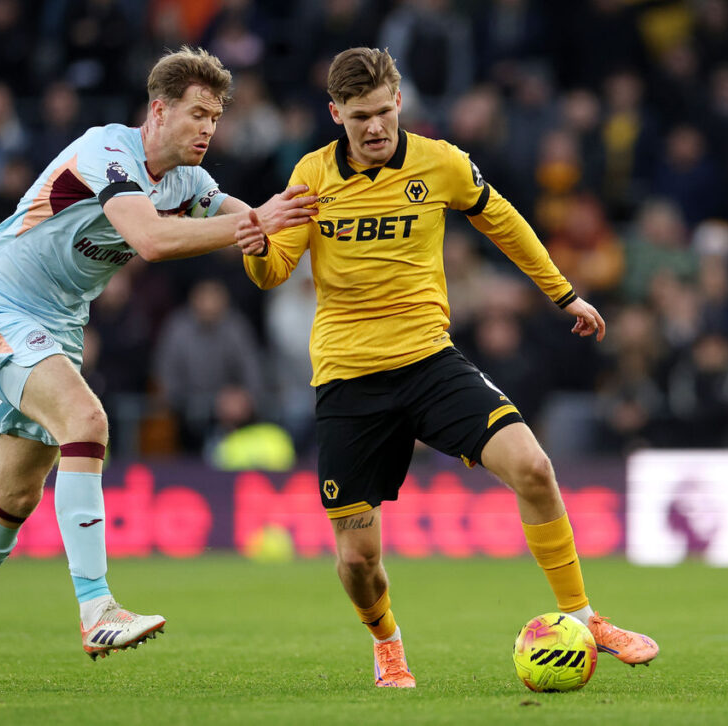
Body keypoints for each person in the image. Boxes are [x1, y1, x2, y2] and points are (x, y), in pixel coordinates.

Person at [239, 48, 658, 688]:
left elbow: (504, 222)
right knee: (358, 561)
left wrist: (564, 294)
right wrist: (255, 245)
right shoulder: (311, 175)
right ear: (335, 114)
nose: (374, 127)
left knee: (534, 468)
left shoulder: (441, 162)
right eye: (359, 117)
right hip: (349, 379)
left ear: (399, 103)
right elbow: (273, 273)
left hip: (429, 362)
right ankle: (387, 644)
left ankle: (585, 618)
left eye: (383, 112)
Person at [0, 46, 317, 684]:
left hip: (58, 325)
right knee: (87, 421)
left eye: (215, 117)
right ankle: (96, 607)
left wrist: (309, 225)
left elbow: (254, 223)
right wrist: (255, 223)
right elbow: (152, 239)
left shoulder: (188, 182)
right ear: (158, 111)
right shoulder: (106, 151)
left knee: (17, 493)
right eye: (196, 114)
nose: (208, 129)